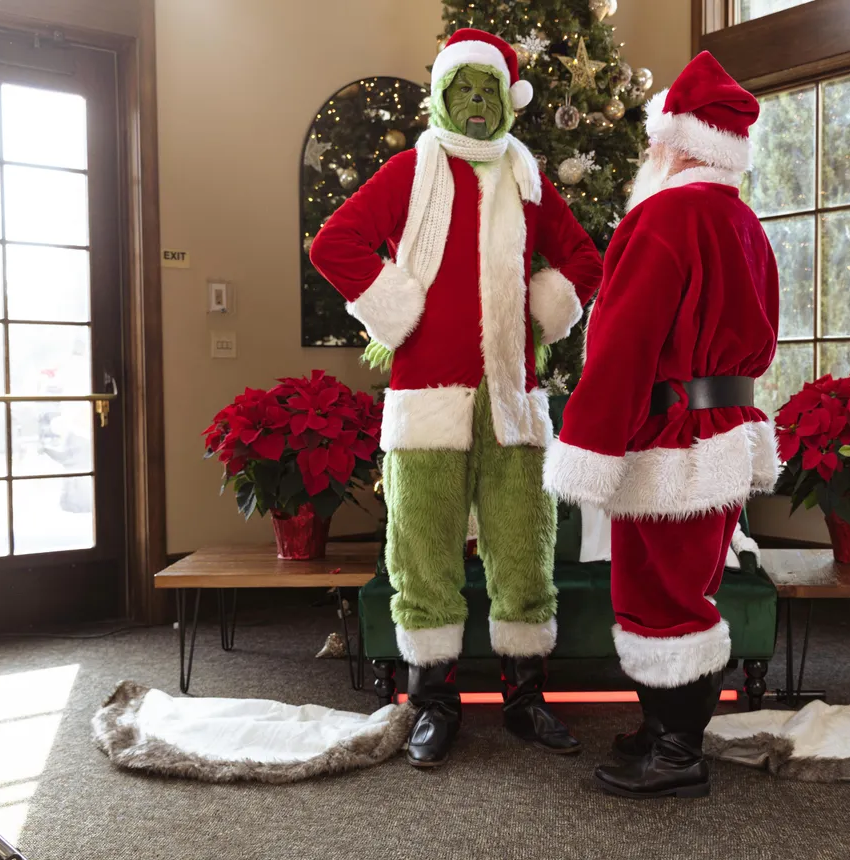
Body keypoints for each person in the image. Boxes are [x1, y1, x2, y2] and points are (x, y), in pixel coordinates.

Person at [309, 29, 602, 768]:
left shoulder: (530, 179)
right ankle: (434, 702)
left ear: (508, 102)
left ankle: (526, 700)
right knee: (424, 551)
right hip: (425, 401)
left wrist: (548, 303)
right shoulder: (411, 171)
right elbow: (334, 244)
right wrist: (395, 304)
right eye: (463, 89)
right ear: (441, 96)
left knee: (523, 550)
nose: (477, 104)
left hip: (512, 400)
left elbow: (584, 259)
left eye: (489, 91)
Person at [544, 51, 779, 799]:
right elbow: (764, 342)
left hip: (669, 438)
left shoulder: (662, 218)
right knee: (691, 586)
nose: (650, 154)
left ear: (680, 144)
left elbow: (623, 345)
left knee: (657, 597)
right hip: (727, 432)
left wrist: (587, 444)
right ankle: (665, 731)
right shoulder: (746, 225)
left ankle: (678, 753)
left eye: (656, 142)